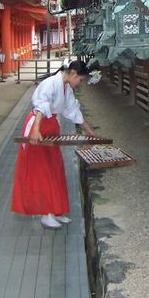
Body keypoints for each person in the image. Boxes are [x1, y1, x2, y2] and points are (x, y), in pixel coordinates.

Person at [11, 60, 98, 229]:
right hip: (39, 126)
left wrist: (89, 130)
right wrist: (36, 130)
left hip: (51, 127)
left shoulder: (66, 89)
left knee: (55, 168)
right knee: (42, 171)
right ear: (73, 73)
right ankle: (46, 213)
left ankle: (56, 210)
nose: (79, 84)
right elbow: (41, 107)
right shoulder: (50, 84)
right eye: (80, 80)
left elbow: (72, 110)